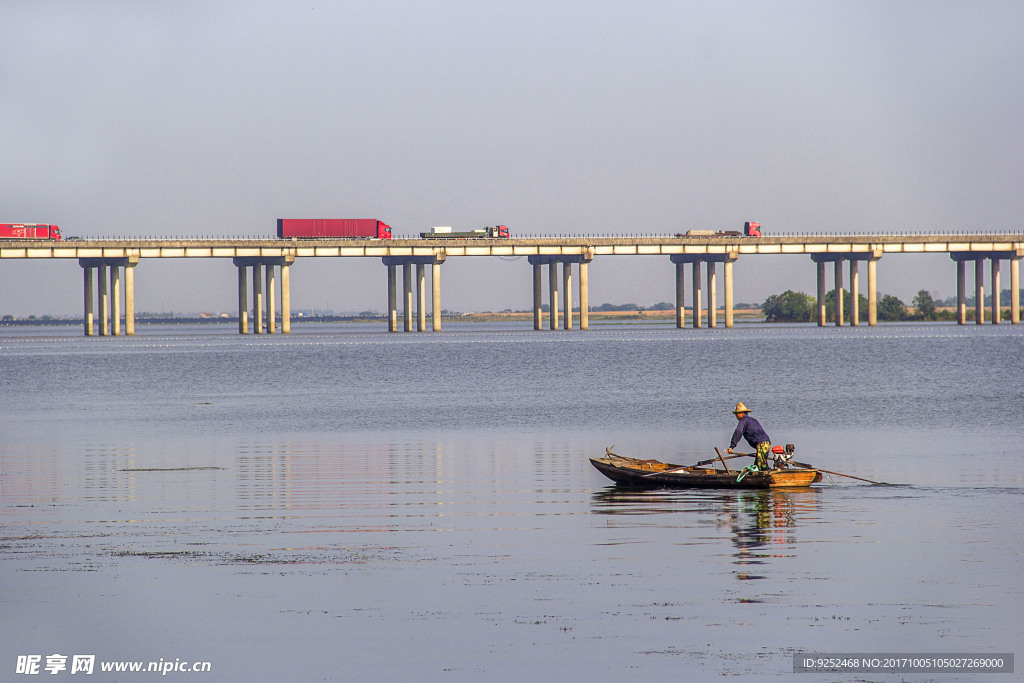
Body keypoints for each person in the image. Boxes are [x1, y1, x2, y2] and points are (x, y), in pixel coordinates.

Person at [725, 401, 771, 471]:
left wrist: (732, 446)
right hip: (766, 443)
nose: (736, 415)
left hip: (762, 444)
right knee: (757, 466)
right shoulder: (751, 420)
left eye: (737, 413)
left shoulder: (743, 421)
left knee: (761, 467)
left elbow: (738, 432)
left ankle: (767, 479)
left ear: (742, 413)